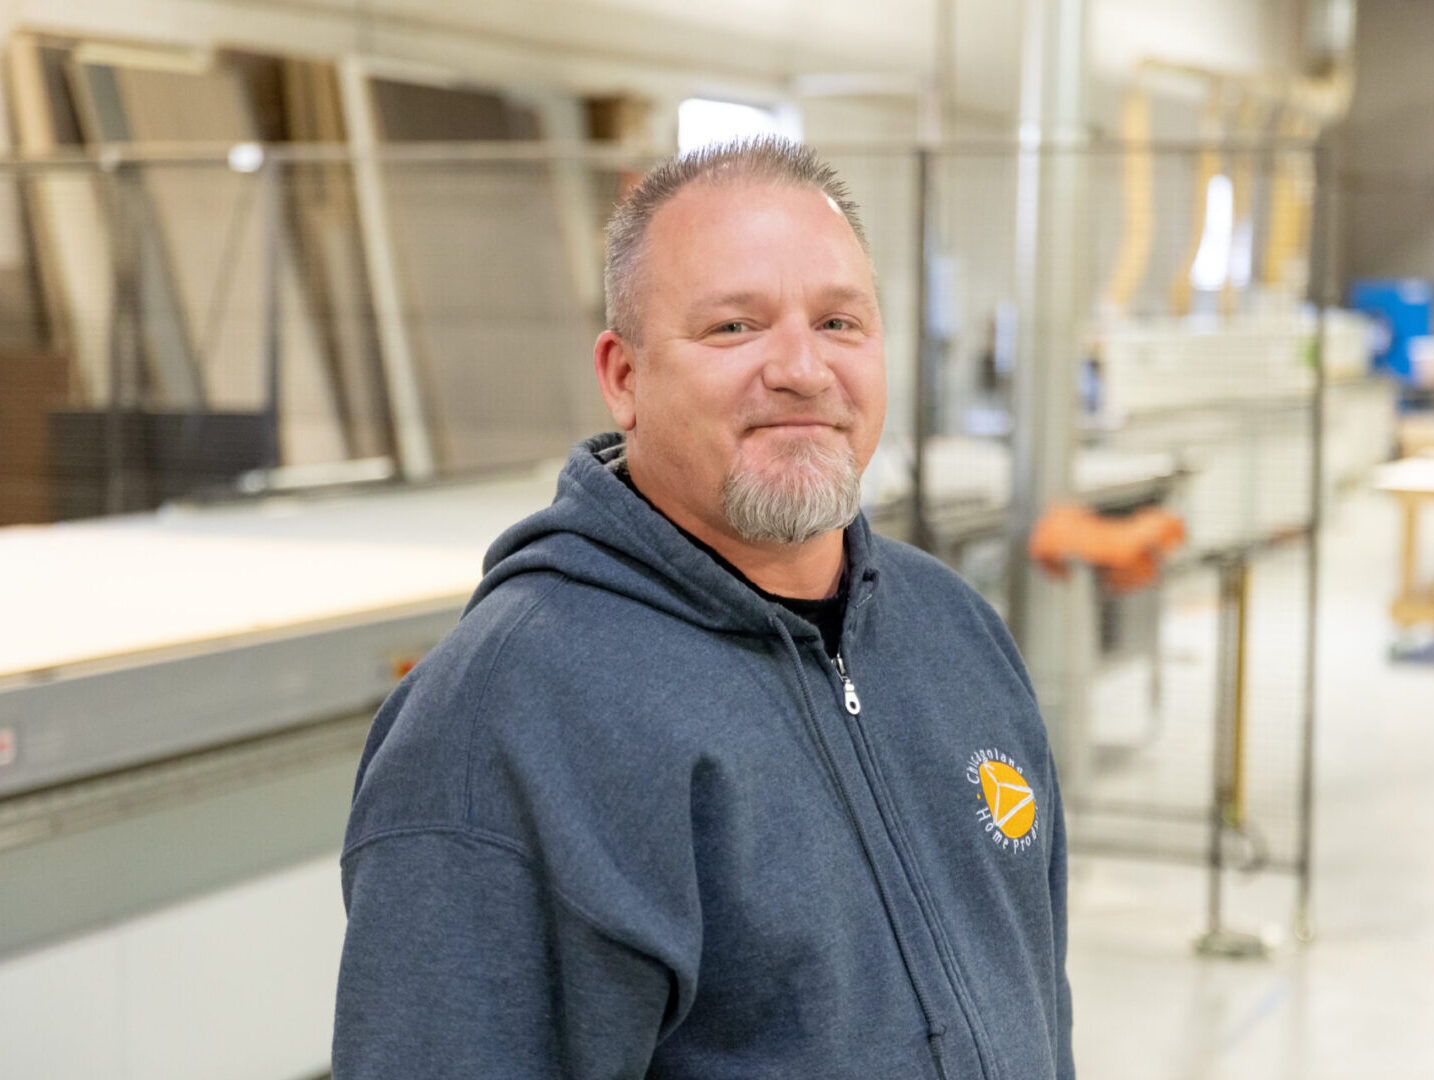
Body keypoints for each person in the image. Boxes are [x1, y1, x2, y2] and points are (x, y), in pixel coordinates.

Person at [333, 137, 1074, 1079]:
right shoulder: (503, 723)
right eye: (735, 328)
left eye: (841, 323)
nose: (803, 369)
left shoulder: (953, 634)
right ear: (624, 377)